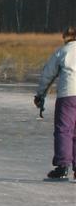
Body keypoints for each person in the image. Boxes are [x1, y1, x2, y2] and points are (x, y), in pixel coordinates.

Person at [35, 26, 76, 180]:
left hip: (67, 95)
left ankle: (63, 166)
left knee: (64, 130)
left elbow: (48, 74)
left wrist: (40, 95)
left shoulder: (63, 51)